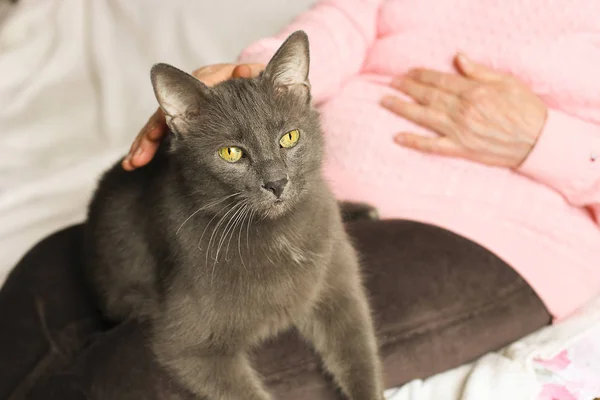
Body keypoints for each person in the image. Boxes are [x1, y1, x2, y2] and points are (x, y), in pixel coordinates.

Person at [1, 0, 599, 399]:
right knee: (47, 278)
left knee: (145, 375)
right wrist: (252, 81)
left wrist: (547, 143)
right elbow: (350, 18)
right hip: (306, 180)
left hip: (495, 227)